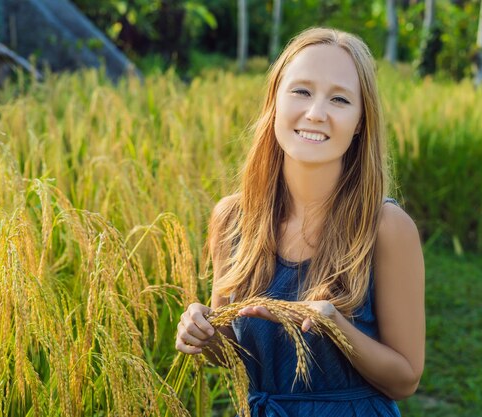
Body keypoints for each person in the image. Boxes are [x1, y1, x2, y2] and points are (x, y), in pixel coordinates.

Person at [175, 27, 425, 417]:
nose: (316, 113)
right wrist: (201, 330)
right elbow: (228, 352)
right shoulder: (232, 219)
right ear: (275, 99)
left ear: (360, 121)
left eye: (339, 99)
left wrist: (336, 326)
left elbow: (406, 379)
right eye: (301, 91)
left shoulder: (387, 227)